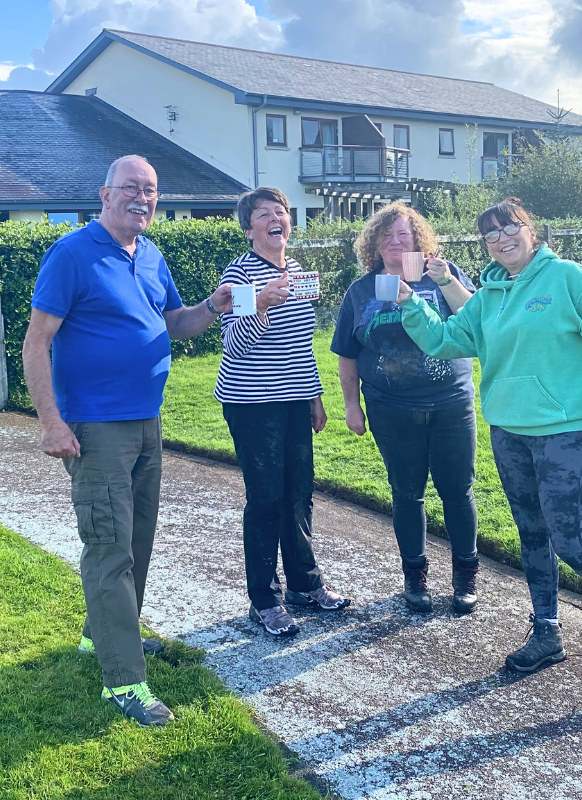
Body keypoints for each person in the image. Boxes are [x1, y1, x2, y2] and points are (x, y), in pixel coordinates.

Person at [397, 197, 582, 685]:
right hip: (509, 432)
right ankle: (546, 633)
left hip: (562, 433)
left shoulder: (569, 278)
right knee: (532, 536)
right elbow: (448, 340)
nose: (502, 239)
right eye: (491, 235)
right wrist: (410, 305)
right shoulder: (488, 294)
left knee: (571, 543)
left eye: (510, 228)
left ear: (531, 231)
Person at [22, 155, 233, 726]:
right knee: (108, 544)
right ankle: (124, 680)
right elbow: (36, 342)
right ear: (106, 193)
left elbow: (173, 323)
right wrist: (51, 423)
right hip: (95, 426)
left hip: (147, 419)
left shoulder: (152, 255)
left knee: (136, 538)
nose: (142, 198)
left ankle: (105, 635)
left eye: (151, 190)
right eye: (131, 188)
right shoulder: (71, 254)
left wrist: (212, 307)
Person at [331, 201, 480, 614]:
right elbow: (347, 353)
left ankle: (465, 574)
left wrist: (445, 278)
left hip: (451, 402)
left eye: (404, 235)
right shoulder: (361, 291)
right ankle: (415, 577)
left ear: (418, 240)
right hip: (390, 409)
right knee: (406, 493)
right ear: (375, 245)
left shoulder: (439, 277)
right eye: (387, 236)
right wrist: (352, 406)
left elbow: (476, 318)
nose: (396, 242)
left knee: (458, 490)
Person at [215, 186, 350, 637]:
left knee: (299, 494)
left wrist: (314, 396)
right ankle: (264, 600)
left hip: (294, 399)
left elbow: (300, 345)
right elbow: (232, 347)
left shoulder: (296, 271)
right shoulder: (238, 276)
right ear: (249, 227)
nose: (276, 218)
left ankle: (305, 586)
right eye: (264, 213)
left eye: (282, 212)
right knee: (266, 499)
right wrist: (261, 305)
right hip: (252, 404)